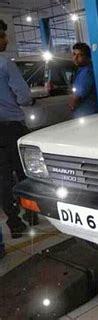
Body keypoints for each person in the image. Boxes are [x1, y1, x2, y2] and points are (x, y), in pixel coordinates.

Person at [0, 20, 32, 238]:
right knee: (24, 172)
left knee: (2, 178)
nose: (6, 39)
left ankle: (14, 223)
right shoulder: (5, 64)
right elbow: (24, 95)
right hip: (12, 127)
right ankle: (31, 212)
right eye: (2, 35)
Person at [69, 42, 98, 118]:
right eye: (74, 54)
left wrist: (72, 104)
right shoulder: (81, 71)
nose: (75, 58)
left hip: (87, 113)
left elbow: (78, 96)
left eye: (80, 55)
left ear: (87, 57)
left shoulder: (87, 72)